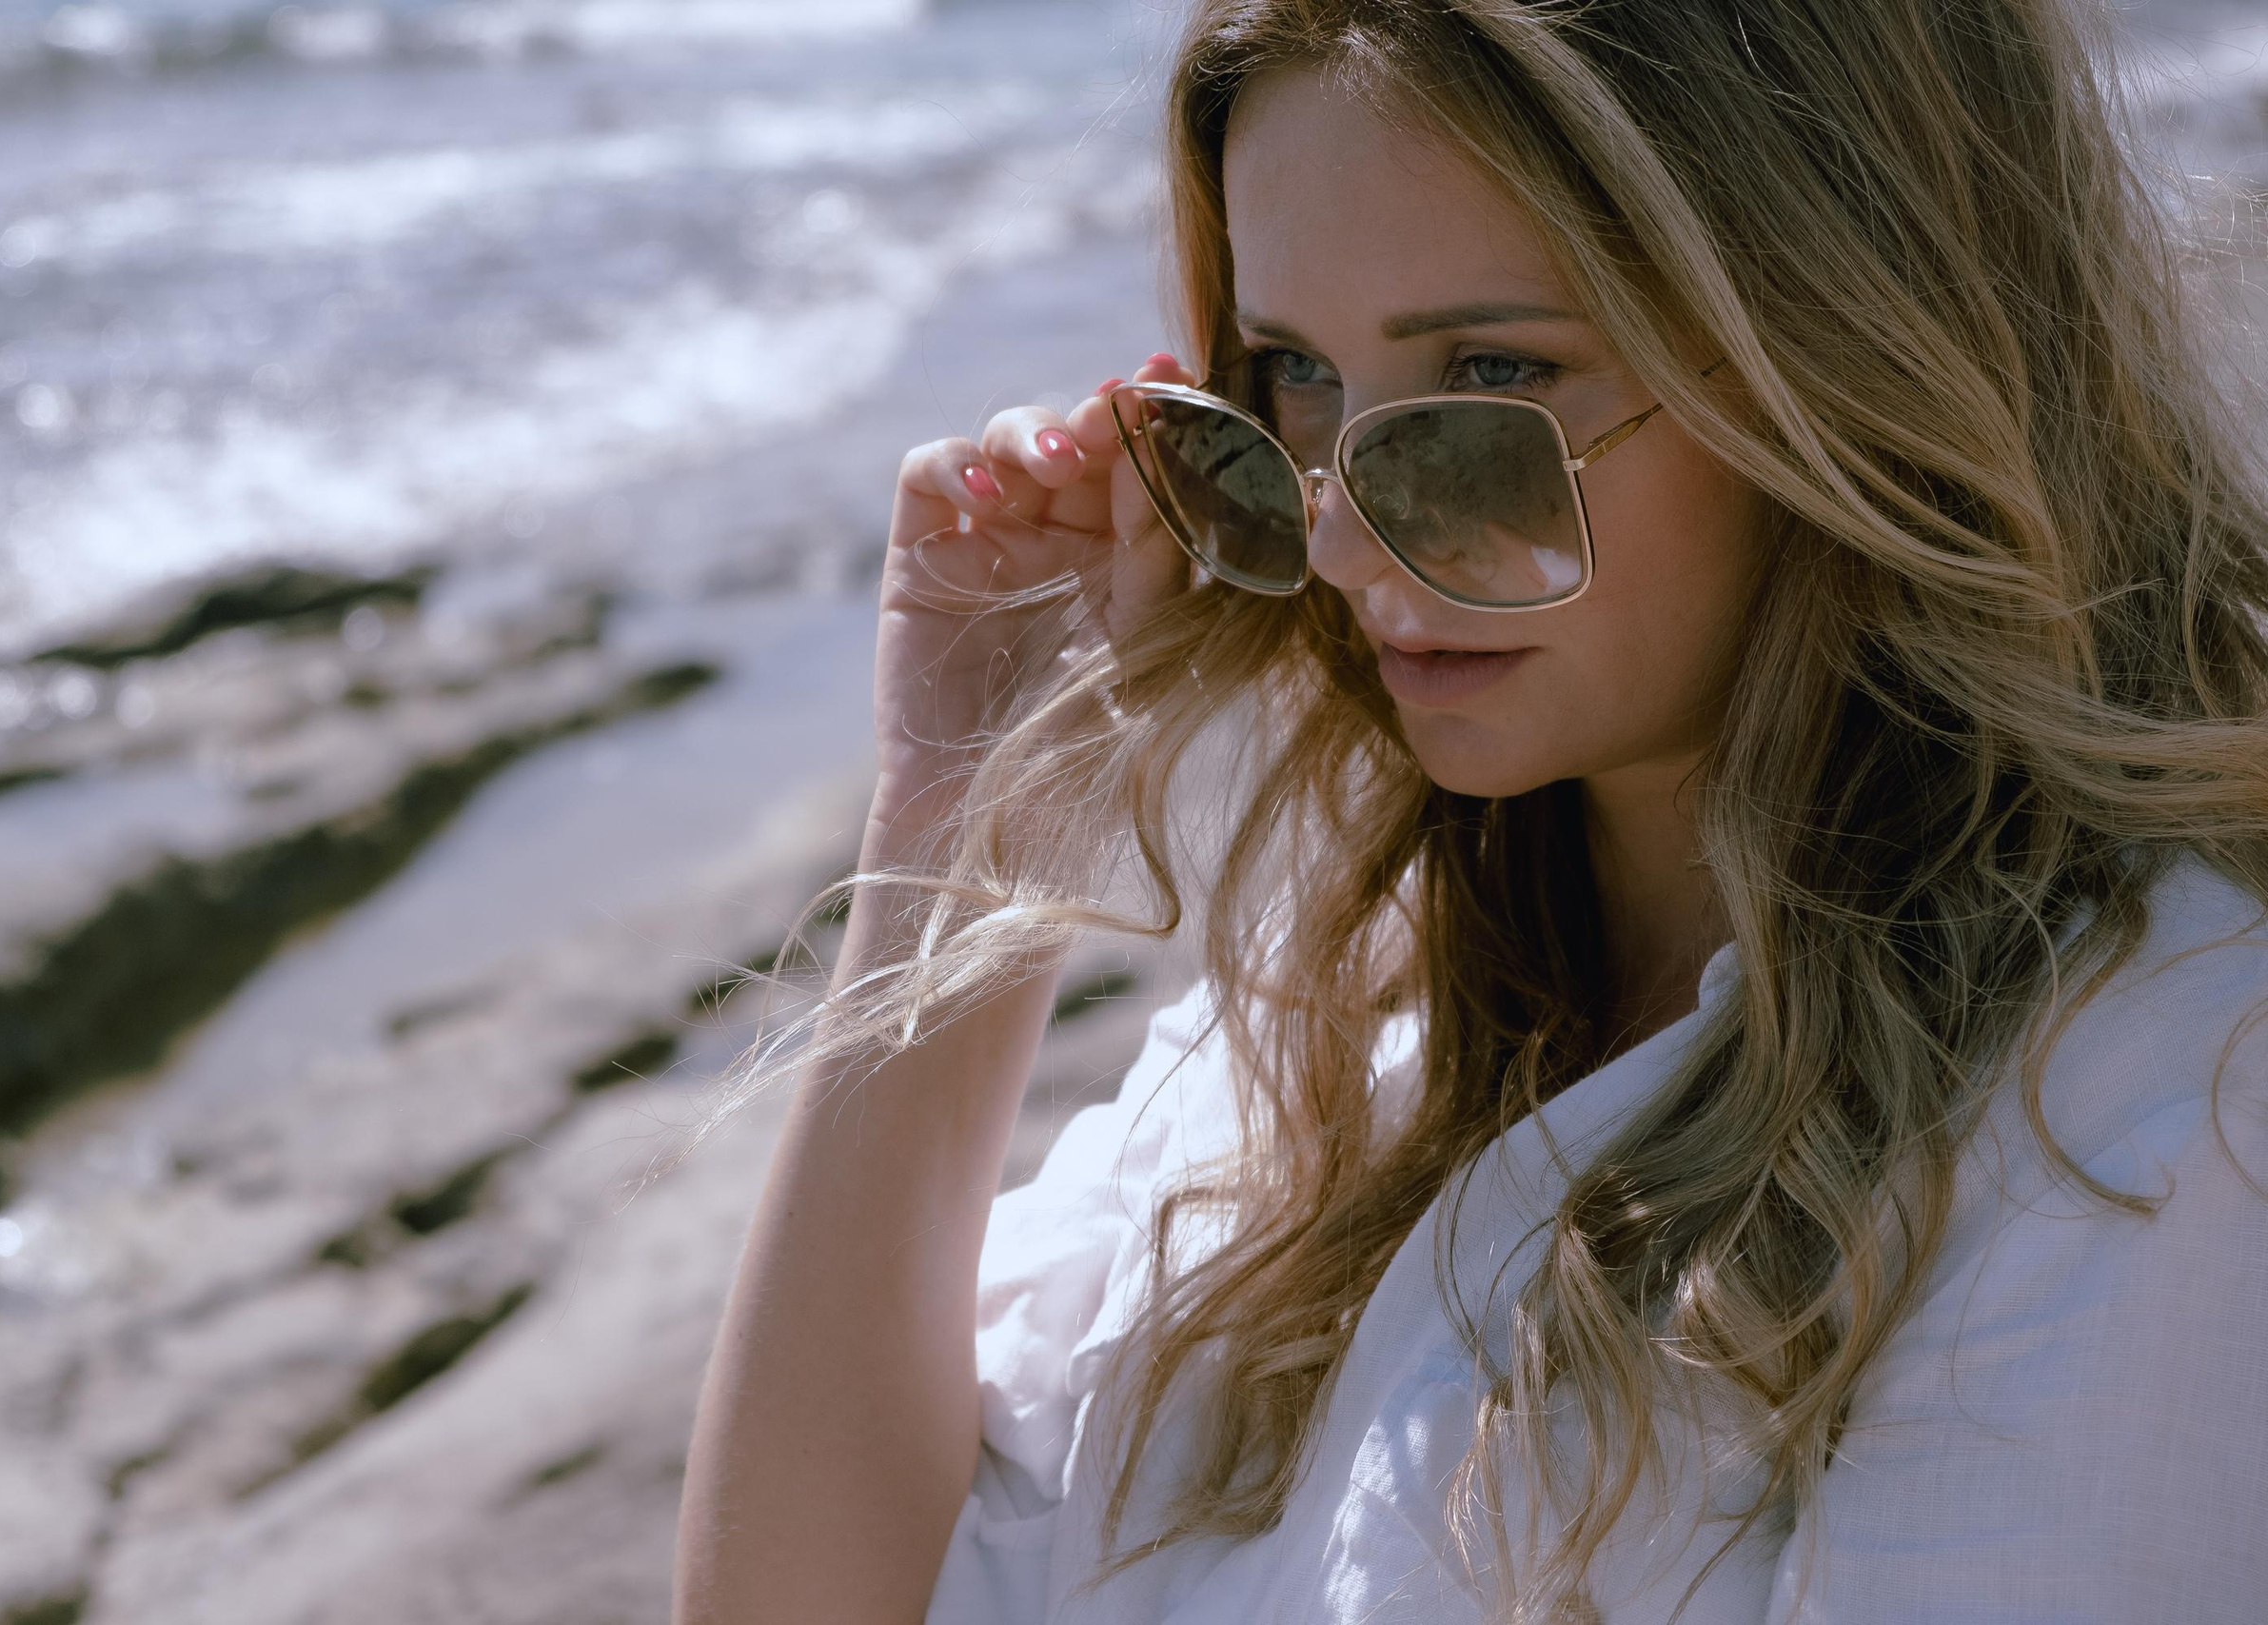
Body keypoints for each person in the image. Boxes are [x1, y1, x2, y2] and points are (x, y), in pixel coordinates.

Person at [674, 1, 2268, 1619]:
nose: (1350, 543)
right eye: (1294, 378)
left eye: (1494, 375)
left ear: (1859, 345)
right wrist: (968, 820)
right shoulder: (1327, 1037)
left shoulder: (2156, 1115)